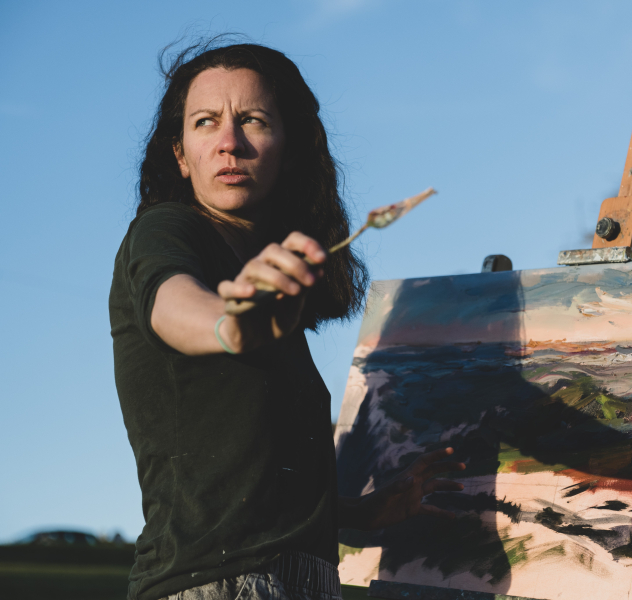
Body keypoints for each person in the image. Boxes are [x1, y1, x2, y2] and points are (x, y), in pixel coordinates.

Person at [109, 40, 464, 600]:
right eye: (206, 123)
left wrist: (369, 512)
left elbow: (253, 488)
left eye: (252, 120)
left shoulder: (277, 290)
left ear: (291, 147)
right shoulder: (166, 232)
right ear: (181, 155)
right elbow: (176, 305)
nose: (229, 142)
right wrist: (231, 323)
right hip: (213, 584)